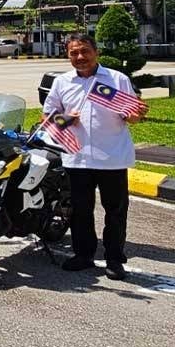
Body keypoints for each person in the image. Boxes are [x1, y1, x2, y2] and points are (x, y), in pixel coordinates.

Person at [42, 34, 147, 280]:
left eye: (85, 51)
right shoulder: (62, 82)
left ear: (96, 51)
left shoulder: (116, 79)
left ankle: (114, 258)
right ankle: (84, 255)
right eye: (73, 53)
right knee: (80, 210)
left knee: (116, 211)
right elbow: (47, 117)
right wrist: (67, 119)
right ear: (68, 55)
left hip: (111, 156)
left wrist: (136, 115)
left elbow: (131, 114)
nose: (80, 57)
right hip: (77, 157)